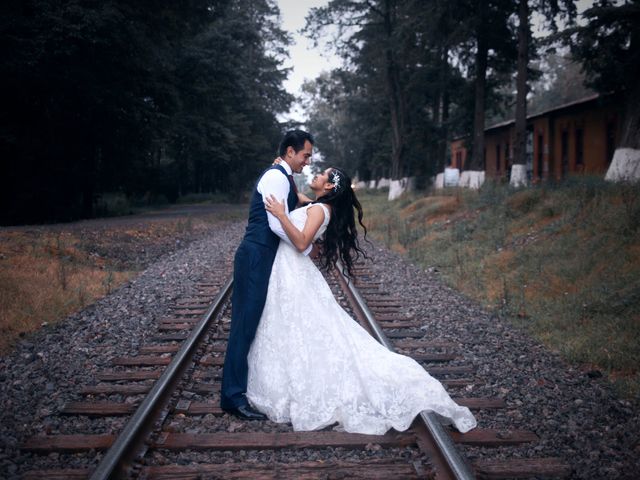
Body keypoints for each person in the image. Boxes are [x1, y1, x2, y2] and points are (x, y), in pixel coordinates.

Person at [246, 167, 477, 435]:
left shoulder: (320, 211)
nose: (317, 174)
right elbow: (302, 200)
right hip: (290, 271)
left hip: (294, 271)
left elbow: (300, 243)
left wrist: (281, 216)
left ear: (330, 187)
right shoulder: (320, 206)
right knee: (300, 330)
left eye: (322, 174)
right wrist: (286, 177)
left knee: (302, 329)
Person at [220, 129, 314, 420]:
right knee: (243, 327)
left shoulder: (282, 176)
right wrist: (304, 247)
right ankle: (233, 398)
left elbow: (289, 202)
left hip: (262, 256)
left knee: (250, 324)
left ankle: (238, 390)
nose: (307, 162)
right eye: (305, 155)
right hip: (256, 255)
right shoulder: (275, 176)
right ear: (289, 152)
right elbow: (275, 225)